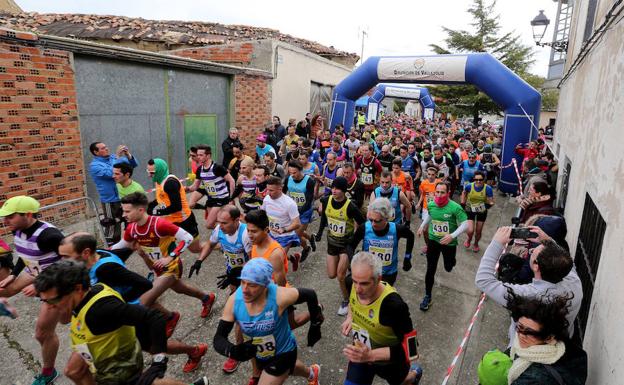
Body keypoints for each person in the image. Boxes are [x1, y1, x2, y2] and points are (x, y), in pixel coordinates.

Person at [34, 261, 208, 385]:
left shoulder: (101, 309)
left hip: (119, 364)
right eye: (44, 301)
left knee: (146, 381)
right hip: (93, 350)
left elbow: (154, 317)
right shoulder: (84, 295)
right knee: (72, 371)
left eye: (53, 300)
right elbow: (65, 319)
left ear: (78, 288)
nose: (49, 306)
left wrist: (158, 361)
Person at [58, 233, 208, 377]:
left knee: (151, 346)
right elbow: (122, 253)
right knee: (147, 346)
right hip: (114, 316)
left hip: (124, 314)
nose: (62, 261)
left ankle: (194, 349)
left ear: (85, 253)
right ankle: (178, 326)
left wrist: (119, 303)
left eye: (66, 256)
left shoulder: (105, 269)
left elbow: (143, 284)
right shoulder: (96, 255)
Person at [212, 258, 323, 385]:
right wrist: (233, 351)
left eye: (252, 285)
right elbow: (219, 338)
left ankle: (308, 372)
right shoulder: (234, 301)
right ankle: (311, 373)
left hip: (284, 351)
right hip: (261, 354)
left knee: (278, 371)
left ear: (265, 286)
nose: (245, 290)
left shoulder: (280, 296)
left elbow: (310, 294)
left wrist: (315, 323)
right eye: (243, 282)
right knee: (290, 369)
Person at [111, 192, 217, 320]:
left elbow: (187, 238)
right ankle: (207, 298)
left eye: (127, 211)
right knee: (179, 288)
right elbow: (120, 246)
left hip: (171, 266)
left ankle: (170, 318)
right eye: (123, 211)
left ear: (141, 210)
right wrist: (99, 254)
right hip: (156, 267)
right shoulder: (131, 229)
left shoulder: (159, 224)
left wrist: (170, 257)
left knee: (143, 301)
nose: (124, 215)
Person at [475, 226, 582, 343]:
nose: (531, 252)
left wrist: (496, 243)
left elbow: (483, 280)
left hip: (524, 351)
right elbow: (567, 262)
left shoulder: (526, 295)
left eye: (533, 253)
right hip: (561, 345)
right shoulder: (574, 282)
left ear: (536, 266)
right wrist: (548, 241)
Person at [0, 196, 64, 385]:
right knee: (3, 289)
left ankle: (49, 372)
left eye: (10, 217)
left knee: (42, 334)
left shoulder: (49, 236)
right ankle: (3, 305)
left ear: (28, 215)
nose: (5, 222)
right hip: (34, 270)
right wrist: (13, 275)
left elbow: (70, 263)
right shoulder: (18, 229)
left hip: (56, 280)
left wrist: (39, 284)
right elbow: (24, 254)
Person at [341, 252, 423, 385]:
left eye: (364, 284)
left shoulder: (394, 306)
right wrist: (350, 317)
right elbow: (352, 301)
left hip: (391, 362)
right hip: (362, 352)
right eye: (355, 281)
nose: (357, 289)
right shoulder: (353, 283)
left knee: (403, 382)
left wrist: (370, 355)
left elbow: (411, 349)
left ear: (378, 279)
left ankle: (413, 375)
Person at [189, 205, 252, 374]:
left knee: (238, 314)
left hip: (249, 278)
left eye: (224, 222)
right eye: (219, 222)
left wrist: (236, 274)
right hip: (233, 276)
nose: (220, 225)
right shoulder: (220, 229)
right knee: (240, 312)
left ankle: (238, 351)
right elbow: (210, 244)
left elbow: (254, 261)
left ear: (237, 220)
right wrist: (199, 260)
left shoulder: (246, 234)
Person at [504, 291, 587, 385]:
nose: (521, 335)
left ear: (549, 338)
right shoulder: (566, 348)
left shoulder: (535, 379)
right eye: (519, 327)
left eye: (530, 332)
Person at [315, 177, 366, 316]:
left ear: (344, 191)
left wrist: (354, 240)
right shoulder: (327, 200)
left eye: (338, 188)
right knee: (331, 274)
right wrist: (319, 233)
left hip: (346, 245)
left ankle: (346, 300)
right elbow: (324, 218)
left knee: (340, 276)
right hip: (332, 242)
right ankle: (353, 261)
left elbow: (363, 224)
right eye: (333, 188)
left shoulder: (351, 206)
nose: (334, 190)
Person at [417, 182, 468, 311]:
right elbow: (430, 215)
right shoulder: (431, 204)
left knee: (448, 267)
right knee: (430, 269)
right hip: (433, 241)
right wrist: (422, 226)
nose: (439, 195)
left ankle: (451, 262)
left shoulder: (455, 207)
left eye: (442, 192)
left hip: (449, 243)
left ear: (448, 193)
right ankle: (428, 295)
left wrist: (452, 235)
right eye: (437, 192)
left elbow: (465, 224)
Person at [352, 199, 414, 286]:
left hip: (388, 273)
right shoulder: (364, 228)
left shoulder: (397, 229)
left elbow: (411, 236)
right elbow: (351, 246)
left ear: (386, 218)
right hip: (368, 272)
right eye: (371, 220)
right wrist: (353, 261)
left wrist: (407, 257)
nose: (373, 224)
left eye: (377, 221)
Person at [147, 158, 203, 254]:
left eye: (152, 172)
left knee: (195, 249)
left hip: (184, 221)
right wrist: (150, 207)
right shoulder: (158, 180)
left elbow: (177, 207)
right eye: (148, 171)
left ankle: (216, 245)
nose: (149, 175)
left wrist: (156, 212)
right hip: (170, 221)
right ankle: (170, 263)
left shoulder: (170, 183)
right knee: (163, 244)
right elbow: (162, 197)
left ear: (160, 171)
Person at [88, 141, 138, 244]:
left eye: (106, 146)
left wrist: (128, 155)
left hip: (124, 196)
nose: (106, 149)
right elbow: (113, 173)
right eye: (102, 148)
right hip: (110, 200)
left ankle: (130, 244)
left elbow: (133, 165)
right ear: (95, 152)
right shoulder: (95, 166)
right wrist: (118, 156)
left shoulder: (113, 158)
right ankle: (111, 248)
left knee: (130, 220)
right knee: (112, 226)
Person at [186, 144, 235, 230]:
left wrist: (231, 197)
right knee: (216, 222)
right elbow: (194, 187)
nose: (198, 157)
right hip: (211, 199)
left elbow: (231, 180)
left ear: (208, 155)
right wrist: (184, 189)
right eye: (198, 155)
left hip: (221, 199)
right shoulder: (200, 169)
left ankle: (233, 227)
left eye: (201, 155)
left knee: (209, 225)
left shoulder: (217, 168)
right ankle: (224, 235)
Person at [261, 176, 302, 270]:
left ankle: (280, 282)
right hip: (271, 234)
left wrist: (283, 230)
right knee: (268, 256)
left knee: (277, 262)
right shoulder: (267, 199)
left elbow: (297, 223)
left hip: (285, 236)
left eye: (271, 190)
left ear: (280, 188)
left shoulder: (289, 203)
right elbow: (262, 213)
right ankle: (293, 257)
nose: (268, 193)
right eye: (268, 190)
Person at [284, 160, 317, 262]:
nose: (292, 175)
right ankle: (309, 240)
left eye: (294, 173)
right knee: (297, 233)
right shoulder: (288, 179)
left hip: (305, 211)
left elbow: (308, 200)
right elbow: (283, 194)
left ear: (300, 171)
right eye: (290, 173)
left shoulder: (309, 181)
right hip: (293, 210)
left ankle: (306, 248)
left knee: (295, 235)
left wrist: (298, 212)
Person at [460, 171, 494, 253]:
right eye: (476, 179)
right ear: (474, 179)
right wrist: (462, 203)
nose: (478, 181)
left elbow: (491, 201)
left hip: (481, 210)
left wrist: (489, 205)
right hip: (470, 209)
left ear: (484, 179)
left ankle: (476, 243)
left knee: (478, 231)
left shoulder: (488, 188)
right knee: (470, 230)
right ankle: (469, 239)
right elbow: (464, 193)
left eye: (480, 180)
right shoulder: (469, 186)